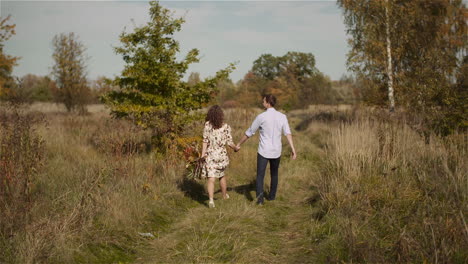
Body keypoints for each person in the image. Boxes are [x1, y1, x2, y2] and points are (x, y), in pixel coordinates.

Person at [236, 94, 296, 205]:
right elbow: (288, 133)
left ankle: (260, 200)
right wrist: (293, 149)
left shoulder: (261, 117)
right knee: (274, 174)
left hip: (263, 151)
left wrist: (239, 144)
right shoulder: (282, 117)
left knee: (260, 176)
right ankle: (272, 197)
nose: (262, 102)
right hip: (276, 151)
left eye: (264, 101)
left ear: (268, 103)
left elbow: (249, 132)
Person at [201, 105, 239, 208]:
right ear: (221, 115)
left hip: (210, 155)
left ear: (210, 115)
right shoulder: (226, 127)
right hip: (222, 156)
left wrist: (202, 154)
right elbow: (229, 142)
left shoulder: (207, 125)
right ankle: (224, 195)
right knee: (221, 176)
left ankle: (211, 200)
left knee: (211, 178)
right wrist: (235, 147)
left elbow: (205, 141)